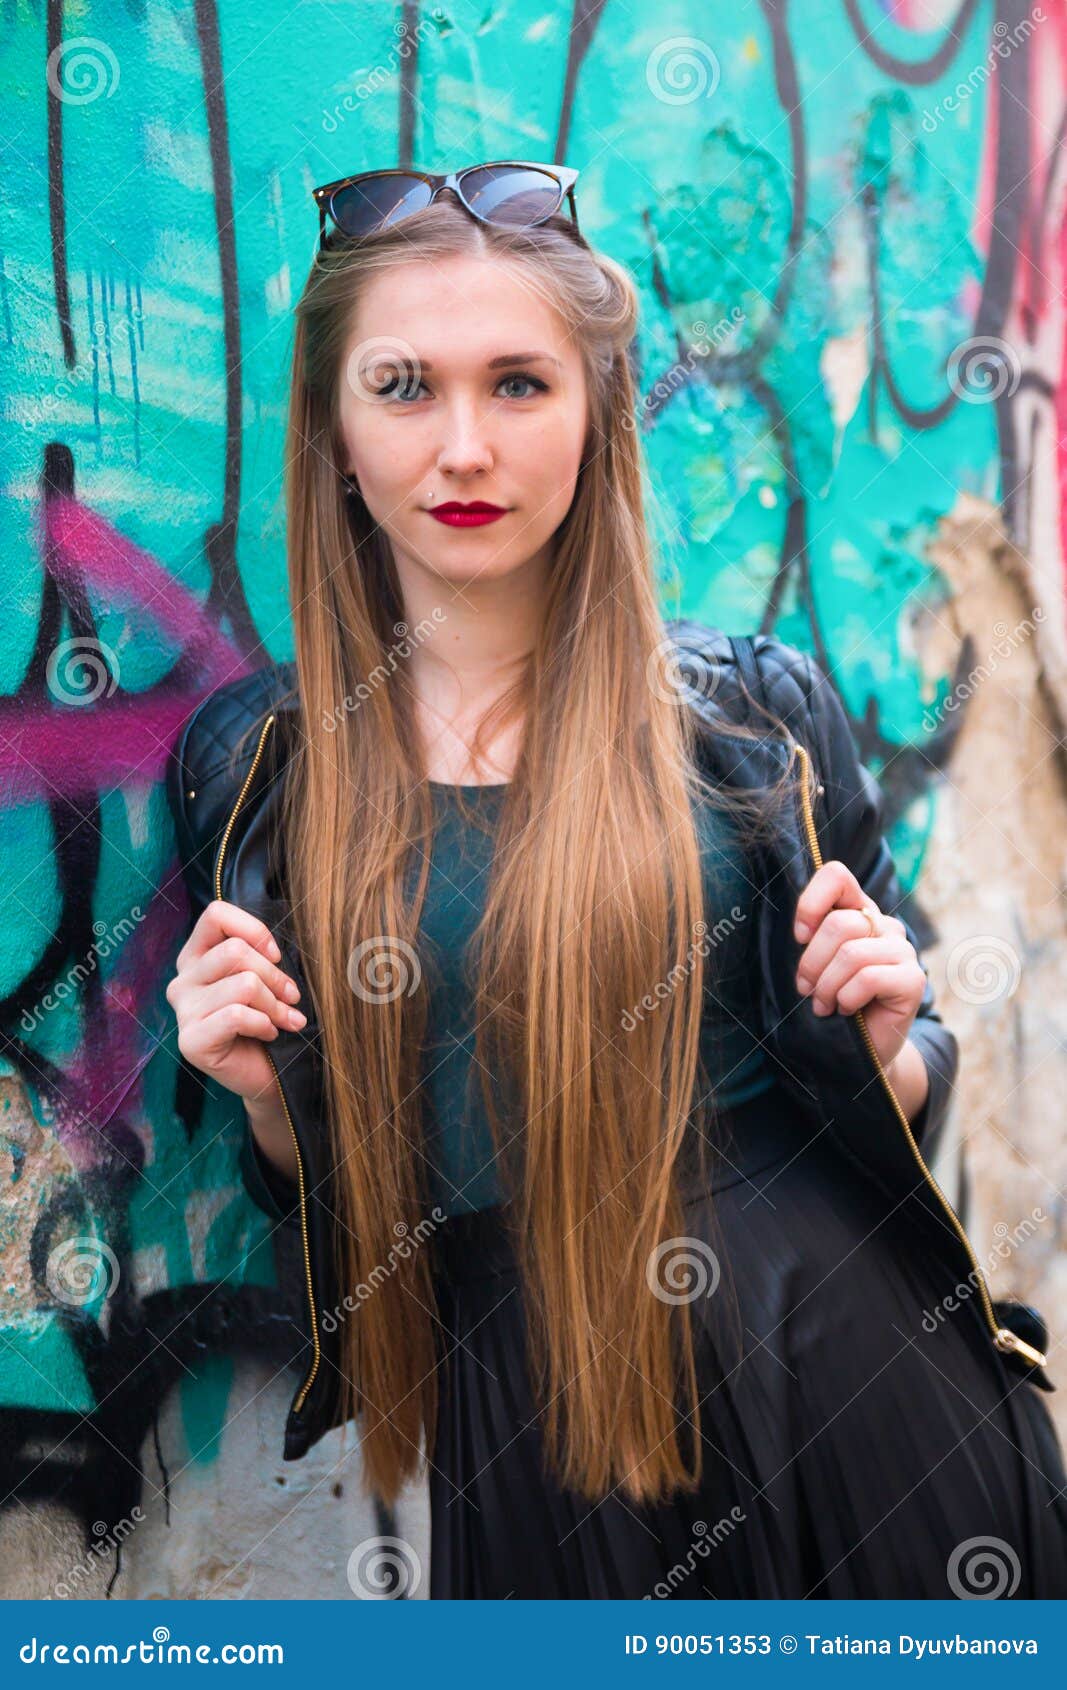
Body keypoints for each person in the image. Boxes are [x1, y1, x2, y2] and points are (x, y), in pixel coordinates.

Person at [164, 162, 1067, 1598]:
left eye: (520, 384)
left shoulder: (751, 714)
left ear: (593, 413)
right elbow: (323, 1202)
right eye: (404, 387)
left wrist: (891, 1046)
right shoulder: (260, 770)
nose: (465, 446)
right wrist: (267, 1098)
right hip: (522, 1441)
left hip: (850, 1398)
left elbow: (911, 1067)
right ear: (334, 430)